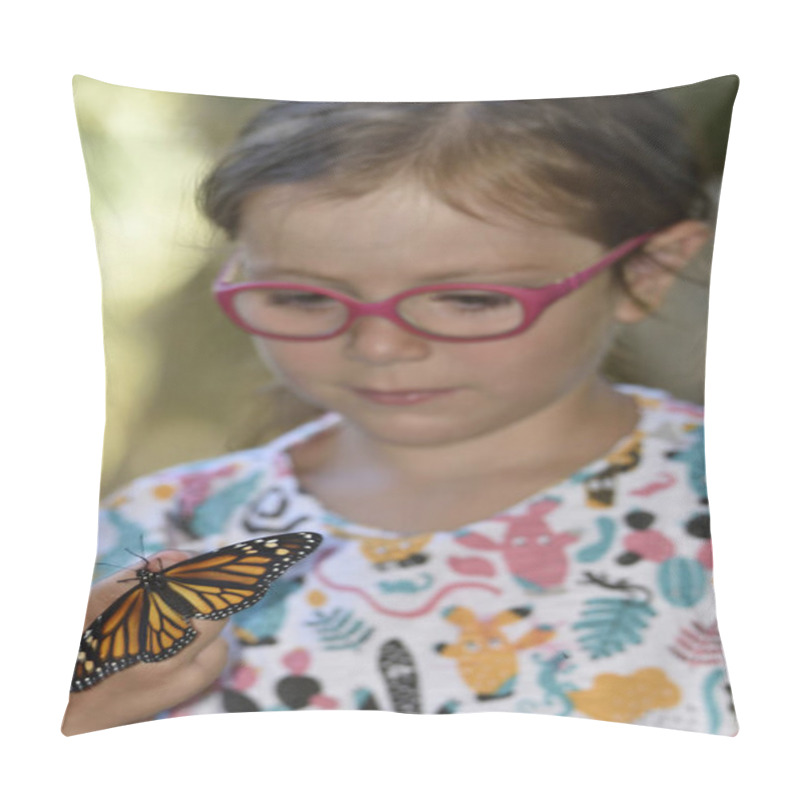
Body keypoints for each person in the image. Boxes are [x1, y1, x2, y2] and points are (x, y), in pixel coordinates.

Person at [62, 94, 738, 736]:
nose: (380, 346)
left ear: (647, 271)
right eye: (301, 298)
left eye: (470, 300)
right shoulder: (152, 529)